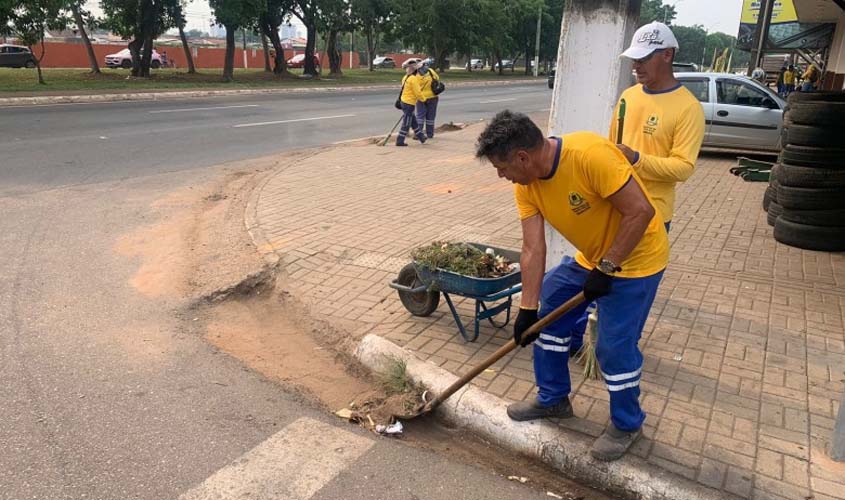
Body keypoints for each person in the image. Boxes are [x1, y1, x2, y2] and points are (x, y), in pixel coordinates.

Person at [476, 110, 669, 462]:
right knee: (546, 317)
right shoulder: (528, 185)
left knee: (614, 347)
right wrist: (527, 309)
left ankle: (627, 424)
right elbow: (533, 248)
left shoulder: (589, 155)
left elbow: (641, 212)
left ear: (522, 157)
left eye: (502, 168)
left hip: (638, 260)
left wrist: (608, 267)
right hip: (593, 260)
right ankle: (553, 399)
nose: (502, 176)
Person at [566, 21, 705, 355]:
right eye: (634, 58)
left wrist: (637, 159)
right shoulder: (628, 97)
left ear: (668, 55)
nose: (636, 65)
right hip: (610, 208)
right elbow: (612, 149)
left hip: (651, 217)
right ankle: (572, 342)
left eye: (644, 58)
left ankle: (620, 352)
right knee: (588, 276)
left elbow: (683, 168)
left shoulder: (687, 108)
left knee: (633, 290)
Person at [396, 59, 427, 146]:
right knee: (407, 123)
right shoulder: (413, 79)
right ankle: (400, 140)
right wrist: (424, 100)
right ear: (415, 70)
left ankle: (421, 137)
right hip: (409, 103)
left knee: (413, 121)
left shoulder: (405, 77)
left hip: (404, 102)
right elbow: (418, 93)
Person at [414, 63, 441, 139]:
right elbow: (437, 79)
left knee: (420, 116)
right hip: (433, 97)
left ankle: (418, 134)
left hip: (421, 98)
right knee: (431, 116)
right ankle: (430, 134)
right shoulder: (430, 71)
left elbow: (414, 87)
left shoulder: (416, 75)